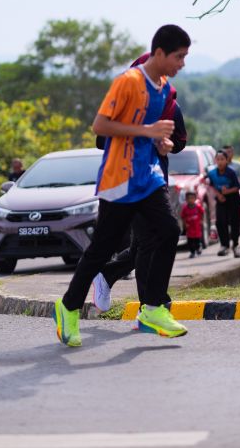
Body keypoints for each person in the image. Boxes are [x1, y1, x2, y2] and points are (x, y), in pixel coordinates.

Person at [53, 24, 191, 346]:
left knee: (169, 231)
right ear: (159, 53)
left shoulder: (164, 89)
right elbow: (100, 126)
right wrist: (147, 132)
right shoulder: (128, 82)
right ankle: (68, 306)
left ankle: (153, 308)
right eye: (179, 57)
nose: (182, 64)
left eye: (185, 57)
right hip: (120, 177)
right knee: (102, 249)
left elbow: (153, 133)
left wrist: (162, 144)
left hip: (149, 176)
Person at [92, 52, 187, 312]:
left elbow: (180, 141)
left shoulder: (171, 106)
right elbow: (101, 140)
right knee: (149, 241)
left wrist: (164, 142)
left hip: (155, 181)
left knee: (146, 241)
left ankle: (107, 275)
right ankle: (152, 305)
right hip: (127, 180)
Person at [206, 149, 240, 258]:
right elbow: (211, 186)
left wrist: (227, 192)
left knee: (234, 222)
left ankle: (235, 245)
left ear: (226, 160)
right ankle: (224, 245)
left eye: (222, 159)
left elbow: (237, 187)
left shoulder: (231, 172)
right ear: (215, 160)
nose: (220, 162)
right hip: (221, 199)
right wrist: (219, 194)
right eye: (218, 159)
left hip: (233, 199)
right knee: (220, 222)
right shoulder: (212, 173)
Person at [181, 190, 204, 259]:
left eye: (192, 198)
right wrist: (185, 224)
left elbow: (202, 213)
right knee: (190, 241)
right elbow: (183, 217)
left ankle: (198, 248)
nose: (190, 200)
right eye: (189, 198)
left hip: (197, 227)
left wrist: (201, 220)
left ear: (195, 199)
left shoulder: (198, 207)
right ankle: (192, 252)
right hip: (189, 228)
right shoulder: (185, 208)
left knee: (197, 240)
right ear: (186, 199)